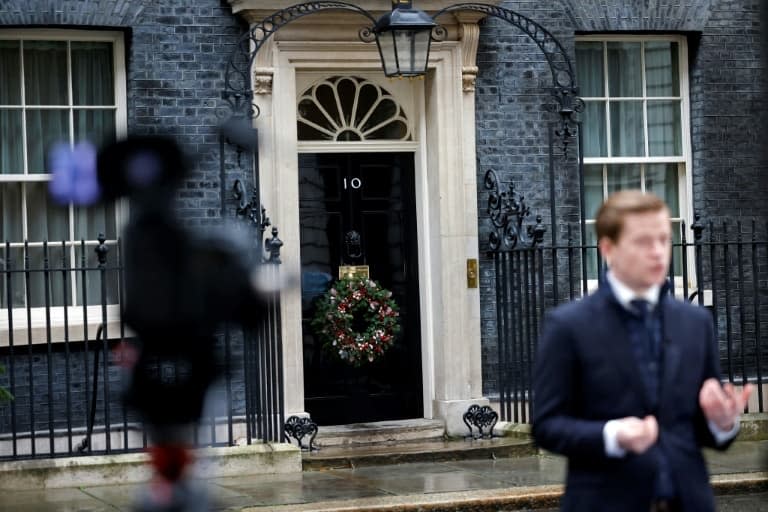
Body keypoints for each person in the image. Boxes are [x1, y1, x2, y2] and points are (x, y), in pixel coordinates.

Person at [532, 190, 753, 512]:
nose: (658, 252)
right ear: (608, 249)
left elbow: (697, 429)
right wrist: (613, 434)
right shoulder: (568, 326)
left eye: (664, 239)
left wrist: (721, 423)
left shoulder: (695, 322)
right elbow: (546, 427)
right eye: (643, 242)